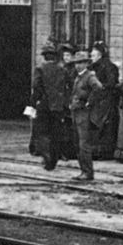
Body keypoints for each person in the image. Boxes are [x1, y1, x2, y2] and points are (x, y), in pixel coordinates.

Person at [29, 42, 73, 170]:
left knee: (41, 132)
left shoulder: (40, 69)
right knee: (56, 133)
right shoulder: (62, 69)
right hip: (58, 107)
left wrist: (33, 103)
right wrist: (65, 101)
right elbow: (70, 85)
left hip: (43, 105)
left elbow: (36, 87)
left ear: (44, 56)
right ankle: (53, 159)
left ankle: (46, 155)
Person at [68, 49, 103, 180]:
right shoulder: (79, 76)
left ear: (86, 64)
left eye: (81, 63)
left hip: (84, 113)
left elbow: (98, 88)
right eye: (76, 63)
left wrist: (89, 101)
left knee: (84, 144)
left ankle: (88, 172)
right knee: (78, 143)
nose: (78, 65)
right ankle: (83, 170)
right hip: (76, 113)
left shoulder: (89, 76)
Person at [88, 40, 120, 159]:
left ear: (100, 55)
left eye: (93, 55)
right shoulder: (94, 66)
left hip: (105, 100)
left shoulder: (107, 67)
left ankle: (102, 151)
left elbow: (111, 83)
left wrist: (100, 86)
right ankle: (100, 151)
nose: (92, 58)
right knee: (99, 126)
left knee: (102, 125)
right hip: (99, 99)